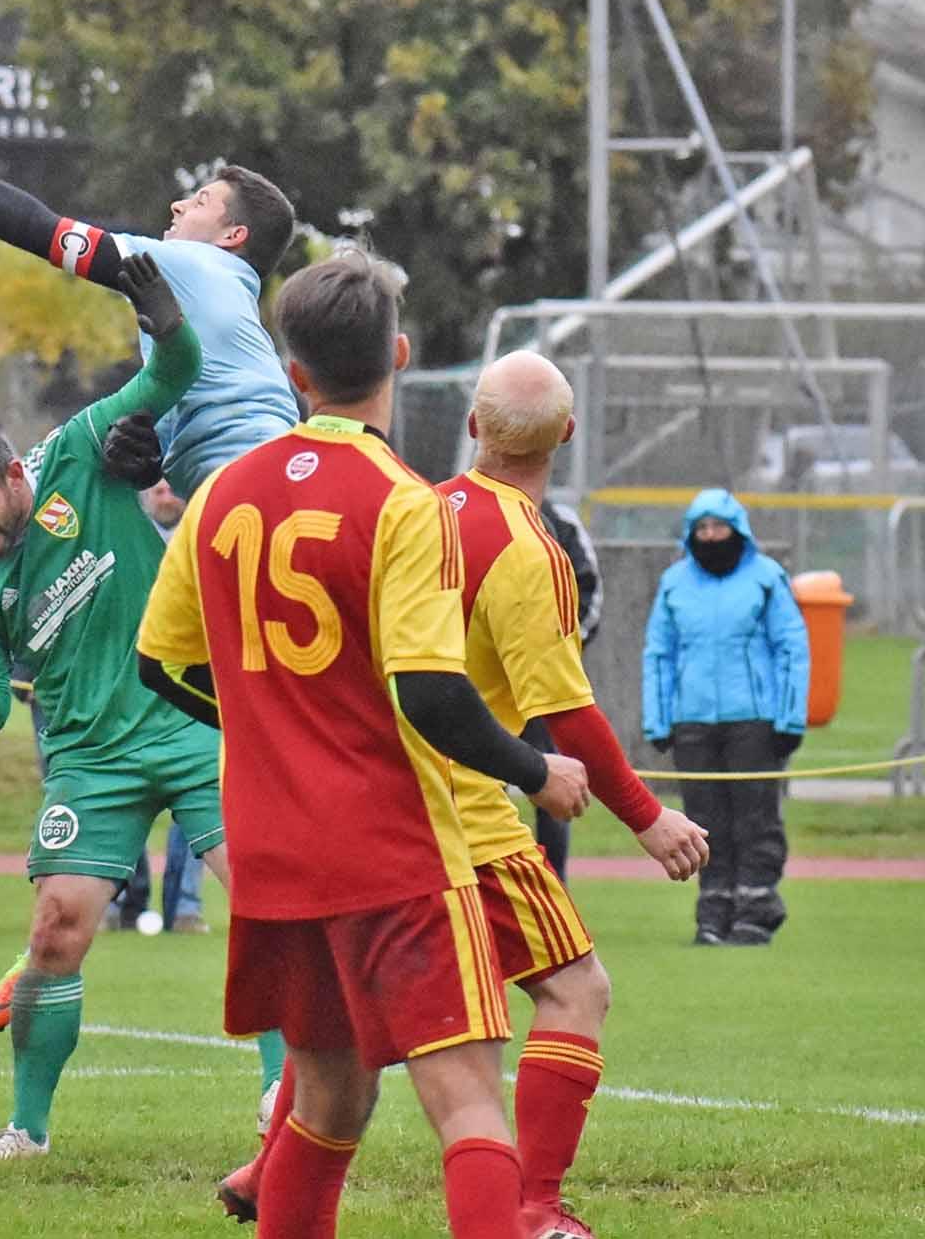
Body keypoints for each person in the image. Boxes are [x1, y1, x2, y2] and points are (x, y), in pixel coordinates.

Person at [134, 251, 591, 1239]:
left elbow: (159, 665)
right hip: (387, 843)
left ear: (293, 373)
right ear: (397, 352)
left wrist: (271, 728)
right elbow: (430, 691)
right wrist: (535, 769)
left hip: (269, 848)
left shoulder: (218, 495)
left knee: (328, 1099)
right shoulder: (404, 503)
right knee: (465, 1094)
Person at [217, 353, 705, 1235]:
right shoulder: (528, 548)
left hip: (362, 812)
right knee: (574, 992)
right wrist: (648, 815)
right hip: (470, 819)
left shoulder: (413, 507)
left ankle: (267, 1170)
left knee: (336, 1023)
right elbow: (566, 708)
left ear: (473, 427)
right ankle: (536, 1207)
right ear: (567, 434)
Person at [0, 252, 278, 1160]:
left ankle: (284, 1092)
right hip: (89, 757)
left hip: (196, 721)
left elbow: (175, 372)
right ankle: (28, 1130)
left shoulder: (82, 449)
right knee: (56, 931)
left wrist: (160, 309)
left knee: (265, 903)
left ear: (13, 470)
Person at [0, 118, 297, 497]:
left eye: (200, 201)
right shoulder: (225, 302)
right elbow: (180, 437)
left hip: (255, 484)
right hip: (265, 477)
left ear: (232, 236)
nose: (178, 204)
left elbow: (34, 227)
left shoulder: (196, 264)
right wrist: (145, 460)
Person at [641, 489, 810, 947]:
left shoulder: (767, 577)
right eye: (702, 528)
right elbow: (660, 653)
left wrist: (790, 720)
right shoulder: (674, 583)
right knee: (703, 819)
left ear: (738, 530)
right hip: (692, 720)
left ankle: (756, 907)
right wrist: (659, 721)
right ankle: (713, 911)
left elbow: (791, 648)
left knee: (756, 817)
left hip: (754, 719)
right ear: (691, 534)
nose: (711, 536)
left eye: (719, 527)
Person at [528, 495, 604, 881]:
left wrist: (555, 655)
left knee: (553, 786)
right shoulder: (455, 507)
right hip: (482, 692)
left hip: (542, 690)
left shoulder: (560, 520)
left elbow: (590, 595)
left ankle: (555, 888)